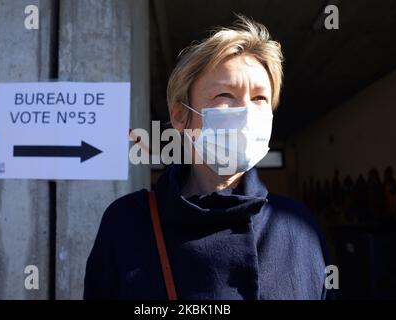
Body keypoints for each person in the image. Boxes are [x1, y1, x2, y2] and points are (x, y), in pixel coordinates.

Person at [84, 15, 331, 300]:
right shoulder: (127, 223)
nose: (247, 113)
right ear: (180, 115)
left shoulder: (297, 227)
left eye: (260, 98)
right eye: (226, 94)